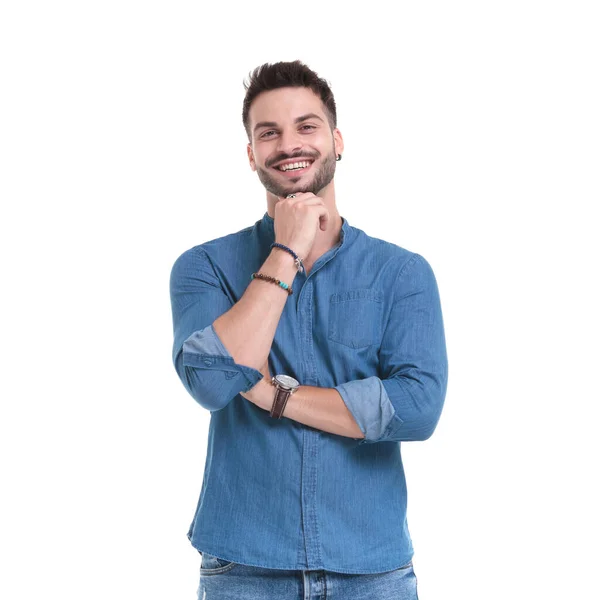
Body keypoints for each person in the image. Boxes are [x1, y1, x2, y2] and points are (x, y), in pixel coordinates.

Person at [169, 59, 448, 600]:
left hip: (372, 569)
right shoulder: (203, 267)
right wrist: (288, 249)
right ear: (251, 154)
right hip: (244, 567)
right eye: (268, 132)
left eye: (307, 126)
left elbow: (417, 408)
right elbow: (212, 384)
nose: (288, 144)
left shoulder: (403, 274)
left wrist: (274, 395)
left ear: (337, 140)